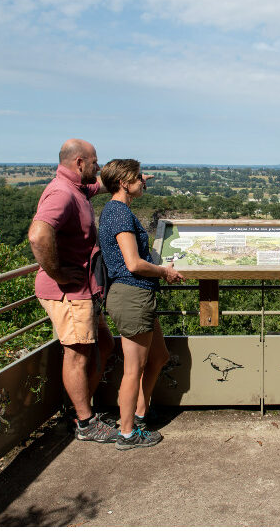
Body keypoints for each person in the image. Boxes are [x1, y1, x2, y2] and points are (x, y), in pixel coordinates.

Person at [28, 139, 119, 442]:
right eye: (95, 161)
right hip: (69, 292)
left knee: (103, 344)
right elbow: (39, 235)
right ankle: (85, 422)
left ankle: (81, 409)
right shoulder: (61, 193)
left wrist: (133, 179)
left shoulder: (77, 188)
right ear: (80, 162)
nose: (98, 165)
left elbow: (98, 186)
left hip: (84, 290)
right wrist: (58, 273)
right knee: (78, 353)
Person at [98, 159, 184, 450]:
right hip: (131, 294)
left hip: (138, 296)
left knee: (158, 356)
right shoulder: (120, 214)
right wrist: (165, 272)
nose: (143, 182)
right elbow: (133, 263)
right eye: (138, 178)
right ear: (124, 182)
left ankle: (139, 413)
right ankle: (126, 433)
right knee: (133, 368)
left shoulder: (115, 209)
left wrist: (138, 178)